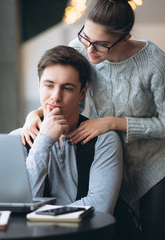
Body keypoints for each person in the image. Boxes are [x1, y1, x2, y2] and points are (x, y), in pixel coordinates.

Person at [20, 1, 165, 239]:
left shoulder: (156, 64)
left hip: (153, 161)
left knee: (150, 233)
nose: (90, 50)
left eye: (101, 45)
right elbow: (62, 88)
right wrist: (34, 115)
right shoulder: (80, 48)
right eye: (86, 37)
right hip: (104, 154)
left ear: (125, 38)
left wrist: (112, 123)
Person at [11, 45, 123, 215]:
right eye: (49, 85)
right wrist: (44, 142)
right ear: (39, 86)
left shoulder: (104, 139)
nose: (56, 96)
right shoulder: (17, 138)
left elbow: (101, 207)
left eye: (67, 88)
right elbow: (21, 204)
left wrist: (43, 214)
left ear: (82, 93)